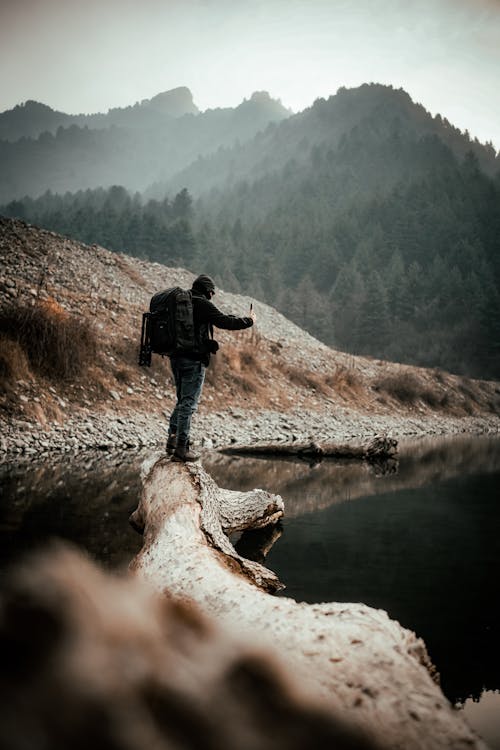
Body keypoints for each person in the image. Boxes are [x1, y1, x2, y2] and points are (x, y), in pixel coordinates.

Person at [167, 274, 255, 462]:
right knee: (188, 404)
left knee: (182, 400)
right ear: (208, 291)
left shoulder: (182, 302)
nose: (212, 296)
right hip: (194, 360)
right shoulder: (203, 303)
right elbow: (225, 322)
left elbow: (218, 318)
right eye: (212, 293)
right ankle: (182, 449)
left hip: (176, 357)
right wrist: (249, 320)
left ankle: (172, 441)